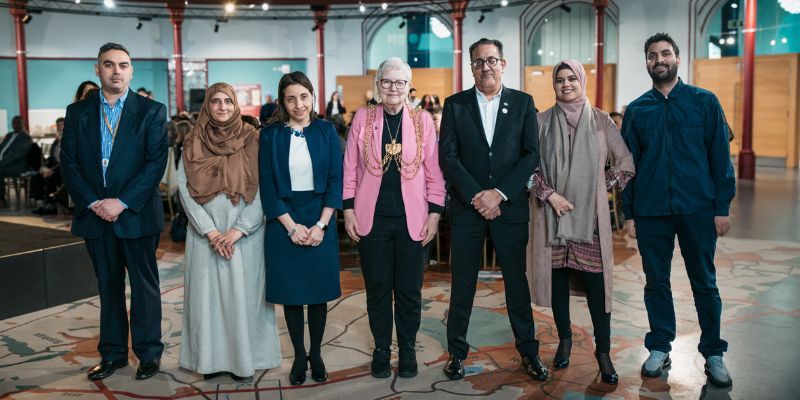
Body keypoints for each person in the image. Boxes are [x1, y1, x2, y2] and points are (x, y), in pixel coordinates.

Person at [621, 33, 735, 387]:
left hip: (697, 208)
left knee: (705, 282)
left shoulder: (705, 102)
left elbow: (720, 159)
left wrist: (722, 207)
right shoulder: (637, 110)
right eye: (652, 55)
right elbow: (628, 167)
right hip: (652, 210)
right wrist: (629, 213)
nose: (659, 60)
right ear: (646, 63)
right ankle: (659, 346)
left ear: (677, 59)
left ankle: (713, 352)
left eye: (665, 53)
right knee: (656, 283)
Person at [438, 38, 547, 381]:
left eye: (492, 60)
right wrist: (477, 196)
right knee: (463, 284)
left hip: (509, 208)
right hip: (468, 209)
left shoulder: (523, 103)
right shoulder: (455, 105)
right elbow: (448, 157)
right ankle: (456, 353)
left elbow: (531, 154)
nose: (485, 66)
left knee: (516, 283)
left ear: (503, 63)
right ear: (471, 66)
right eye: (478, 61)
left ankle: (529, 352)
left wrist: (498, 194)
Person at [60, 43, 168, 381]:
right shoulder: (78, 112)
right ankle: (113, 355)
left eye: (123, 65)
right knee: (108, 288)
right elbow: (69, 163)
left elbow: (155, 165)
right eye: (109, 65)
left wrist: (120, 202)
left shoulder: (152, 110)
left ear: (131, 70)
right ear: (97, 70)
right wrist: (94, 202)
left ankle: (149, 354)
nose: (116, 71)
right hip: (95, 216)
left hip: (135, 214)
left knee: (144, 288)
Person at [526, 59, 635, 385]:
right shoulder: (540, 121)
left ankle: (603, 352)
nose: (566, 84)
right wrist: (551, 196)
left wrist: (600, 188)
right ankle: (565, 339)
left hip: (591, 223)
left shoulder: (602, 121)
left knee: (597, 288)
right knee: (558, 283)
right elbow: (528, 169)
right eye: (560, 79)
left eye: (572, 78)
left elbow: (626, 163)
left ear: (582, 80)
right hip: (553, 218)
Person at [343, 57, 446, 379]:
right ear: (378, 85)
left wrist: (435, 214)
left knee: (409, 291)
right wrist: (347, 209)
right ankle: (381, 350)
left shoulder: (423, 120)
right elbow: (350, 168)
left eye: (400, 83)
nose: (393, 88)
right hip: (370, 218)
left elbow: (435, 173)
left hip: (412, 220)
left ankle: (407, 348)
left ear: (408, 87)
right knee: (376, 289)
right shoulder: (363, 117)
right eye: (387, 82)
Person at [177, 83, 280, 381]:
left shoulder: (253, 139)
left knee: (245, 297)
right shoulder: (192, 140)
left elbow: (264, 188)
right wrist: (210, 232)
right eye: (215, 102)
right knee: (207, 300)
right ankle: (209, 360)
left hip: (244, 232)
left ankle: (245, 360)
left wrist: (238, 229)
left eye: (227, 102)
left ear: (236, 106)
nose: (222, 107)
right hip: (204, 234)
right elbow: (184, 188)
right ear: (207, 105)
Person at [259, 71, 343, 386]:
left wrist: (321, 225)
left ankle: (316, 353)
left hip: (320, 217)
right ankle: (298, 354)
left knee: (317, 292)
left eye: (303, 97)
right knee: (292, 295)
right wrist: (291, 226)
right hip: (284, 220)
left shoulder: (326, 130)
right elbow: (267, 185)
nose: (298, 104)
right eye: (291, 98)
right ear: (283, 102)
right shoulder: (270, 135)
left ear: (312, 97)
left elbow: (337, 180)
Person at [31, 117, 66, 215]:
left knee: (50, 176)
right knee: (37, 177)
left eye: (61, 125)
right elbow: (51, 158)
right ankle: (43, 203)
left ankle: (52, 205)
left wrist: (52, 170)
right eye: (58, 125)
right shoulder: (56, 141)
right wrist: (44, 166)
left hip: (66, 167)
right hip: (56, 166)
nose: (59, 127)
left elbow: (66, 159)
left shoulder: (71, 139)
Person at [0, 116, 35, 208]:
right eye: (14, 123)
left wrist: (1, 163)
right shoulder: (9, 135)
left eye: (18, 122)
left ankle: (1, 199)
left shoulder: (25, 137)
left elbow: (17, 156)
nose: (15, 125)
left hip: (18, 166)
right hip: (5, 164)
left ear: (23, 124)